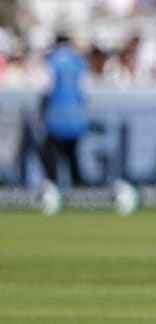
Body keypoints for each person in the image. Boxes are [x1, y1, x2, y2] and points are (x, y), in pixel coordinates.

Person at [39, 32, 89, 214]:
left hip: (56, 114)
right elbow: (83, 89)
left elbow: (47, 88)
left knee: (50, 155)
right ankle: (80, 196)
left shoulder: (51, 61)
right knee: (72, 156)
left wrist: (41, 114)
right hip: (75, 115)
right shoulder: (78, 61)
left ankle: (52, 194)